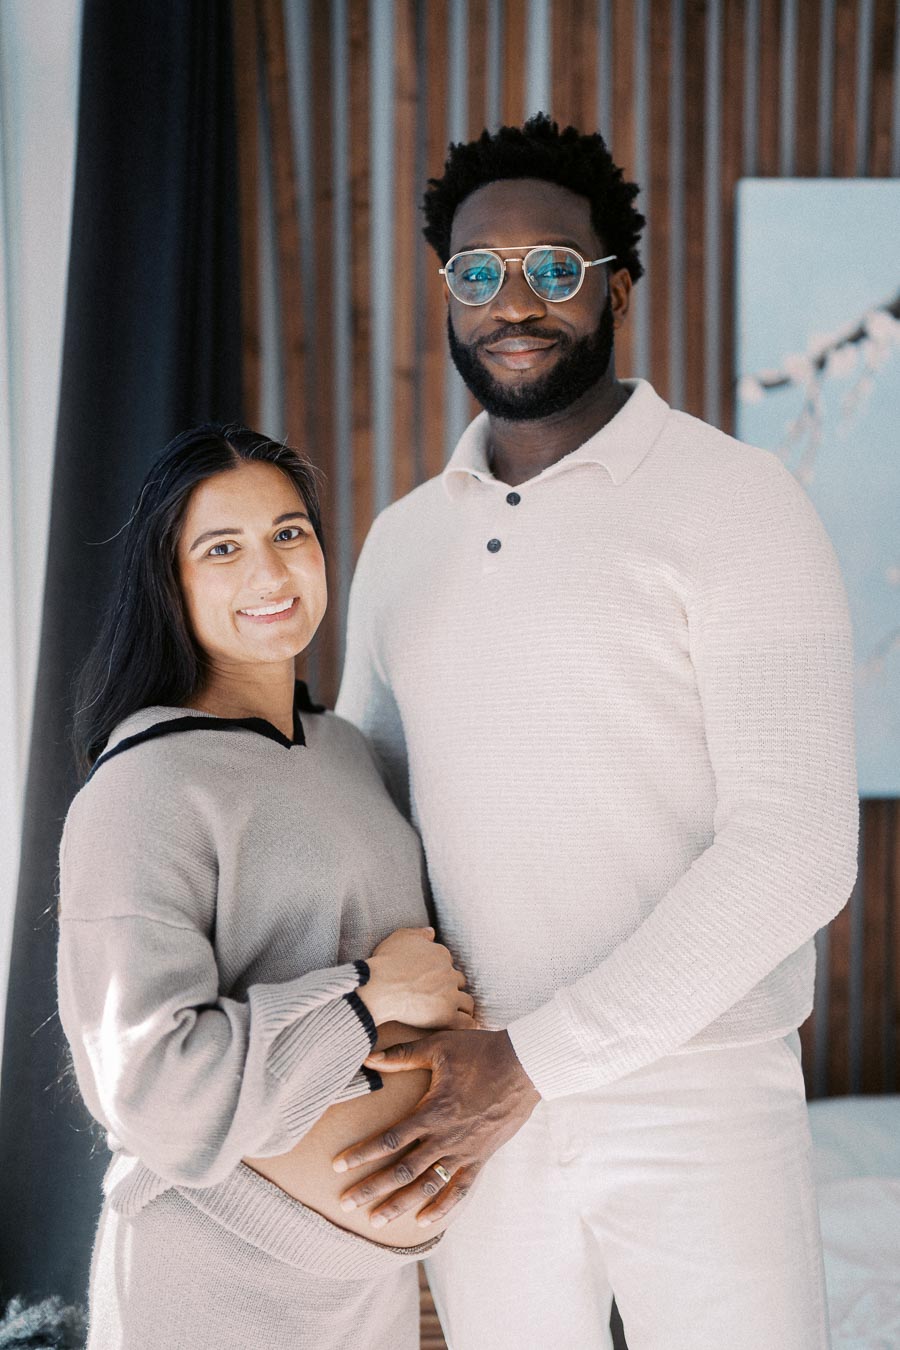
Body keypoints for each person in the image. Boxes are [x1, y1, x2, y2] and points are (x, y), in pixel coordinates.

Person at [334, 115, 859, 1349]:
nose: (514, 299)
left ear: (618, 280)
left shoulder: (742, 501)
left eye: (554, 268)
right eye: (479, 271)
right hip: (463, 1088)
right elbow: (363, 822)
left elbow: (796, 849)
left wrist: (535, 1061)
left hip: (700, 1085)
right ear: (447, 292)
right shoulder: (403, 543)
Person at [56, 425, 474, 1350]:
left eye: (290, 533)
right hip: (213, 1278)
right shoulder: (143, 788)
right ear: (170, 584)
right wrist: (367, 1000)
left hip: (367, 1296)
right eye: (222, 549)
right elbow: (152, 1085)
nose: (271, 573)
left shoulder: (347, 755)